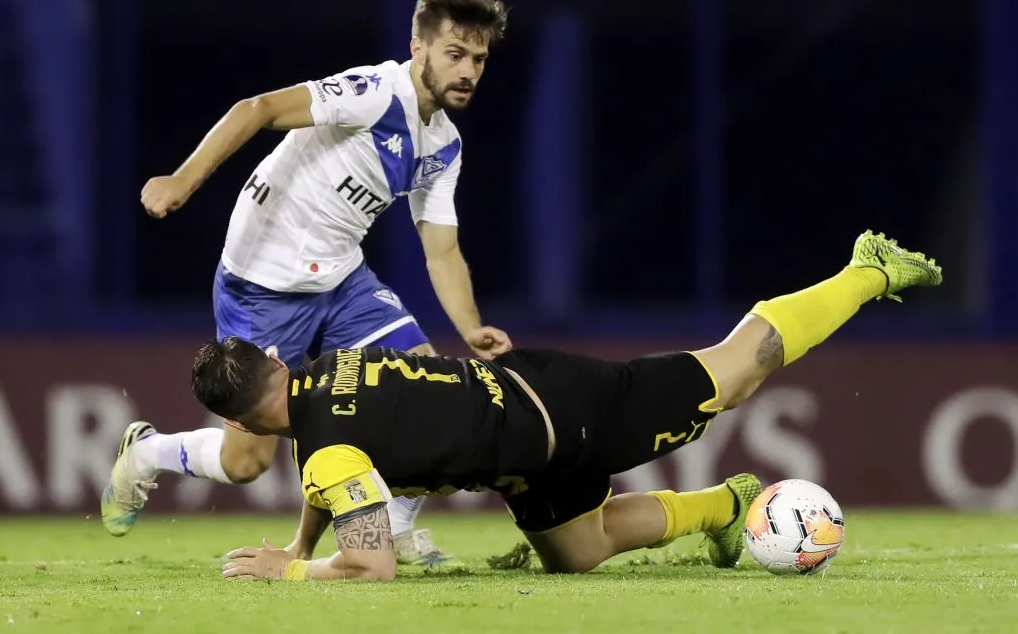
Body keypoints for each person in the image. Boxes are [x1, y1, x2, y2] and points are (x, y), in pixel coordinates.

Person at [187, 230, 940, 581]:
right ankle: (725, 504)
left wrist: (289, 572)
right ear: (278, 362)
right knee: (576, 553)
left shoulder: (326, 447)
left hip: (564, 409)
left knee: (733, 373)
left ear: (242, 421)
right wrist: (297, 544)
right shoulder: (323, 369)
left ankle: (866, 271)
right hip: (523, 447)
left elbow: (372, 562)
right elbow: (332, 466)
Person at [100, 0, 513, 565]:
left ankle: (391, 530)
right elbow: (259, 109)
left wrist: (470, 328)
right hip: (261, 288)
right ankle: (146, 454)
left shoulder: (444, 145)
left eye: (478, 58)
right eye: (455, 53)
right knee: (247, 465)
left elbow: (442, 251)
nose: (468, 69)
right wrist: (182, 180)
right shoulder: (373, 92)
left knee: (430, 391)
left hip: (342, 283)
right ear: (417, 47)